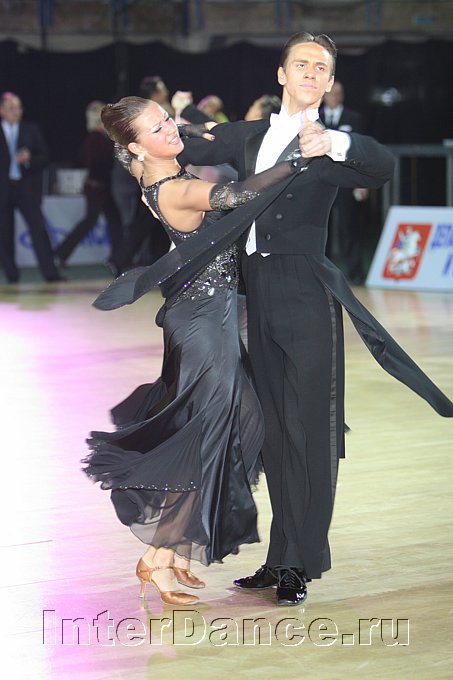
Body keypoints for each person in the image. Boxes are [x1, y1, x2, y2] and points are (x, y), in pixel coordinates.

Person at [176, 31, 453, 606]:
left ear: (328, 82)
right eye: (300, 63)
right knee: (276, 434)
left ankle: (302, 561)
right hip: (257, 296)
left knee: (311, 432)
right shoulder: (249, 135)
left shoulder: (329, 149)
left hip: (307, 296)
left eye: (320, 67)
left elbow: (382, 165)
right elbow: (190, 146)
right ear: (281, 75)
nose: (309, 72)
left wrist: (336, 141)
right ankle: (280, 556)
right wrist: (154, 127)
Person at [82, 96, 309, 605]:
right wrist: (297, 160)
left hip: (210, 313)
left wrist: (192, 125)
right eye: (157, 127)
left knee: (246, 422)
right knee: (208, 437)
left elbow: (168, 152)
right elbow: (240, 195)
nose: (170, 129)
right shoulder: (176, 188)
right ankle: (159, 555)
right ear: (136, 147)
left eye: (167, 118)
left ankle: (180, 546)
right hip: (204, 323)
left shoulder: (150, 171)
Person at [0, 92, 64, 283]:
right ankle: (11, 274)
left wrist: (29, 159)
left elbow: (44, 157)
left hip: (25, 188)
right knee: (4, 233)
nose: (16, 112)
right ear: (2, 110)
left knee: (38, 230)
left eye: (18, 108)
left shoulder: (30, 130)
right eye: (11, 108)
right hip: (3, 190)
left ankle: (50, 273)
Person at [53, 101, 123, 267]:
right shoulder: (95, 138)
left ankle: (117, 258)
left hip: (101, 187)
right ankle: (61, 253)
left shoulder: (99, 138)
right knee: (94, 221)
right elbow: (94, 161)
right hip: (97, 188)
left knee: (112, 222)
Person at [320, 81, 369, 283]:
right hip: (322, 182)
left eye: (338, 93)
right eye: (330, 93)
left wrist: (362, 181)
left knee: (349, 226)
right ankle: (322, 272)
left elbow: (361, 151)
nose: (334, 96)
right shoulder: (315, 119)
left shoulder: (353, 118)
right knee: (322, 227)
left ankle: (355, 272)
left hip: (347, 180)